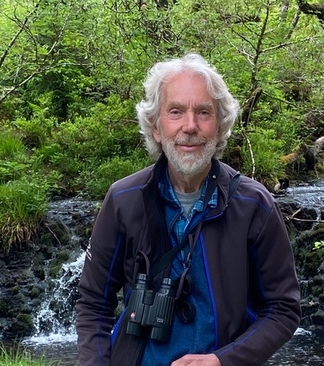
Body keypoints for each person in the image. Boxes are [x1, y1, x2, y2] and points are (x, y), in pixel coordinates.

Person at [76, 53, 301, 366]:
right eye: (176, 111)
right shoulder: (124, 200)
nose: (190, 126)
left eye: (204, 112)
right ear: (156, 127)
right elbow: (92, 304)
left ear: (220, 127)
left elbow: (283, 309)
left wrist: (224, 361)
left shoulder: (254, 205)